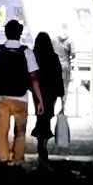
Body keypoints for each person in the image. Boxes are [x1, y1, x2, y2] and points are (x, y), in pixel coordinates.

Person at [0, 19, 37, 167]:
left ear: (6, 33)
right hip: (21, 98)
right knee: (20, 132)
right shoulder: (27, 52)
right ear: (20, 33)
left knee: (2, 131)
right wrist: (39, 99)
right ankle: (18, 159)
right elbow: (34, 78)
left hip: (2, 97)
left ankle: (3, 159)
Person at [32, 30, 65, 164]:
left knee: (40, 115)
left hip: (38, 91)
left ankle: (41, 140)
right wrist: (61, 94)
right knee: (47, 116)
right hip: (50, 93)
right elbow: (58, 76)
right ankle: (43, 142)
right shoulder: (54, 57)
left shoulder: (34, 56)